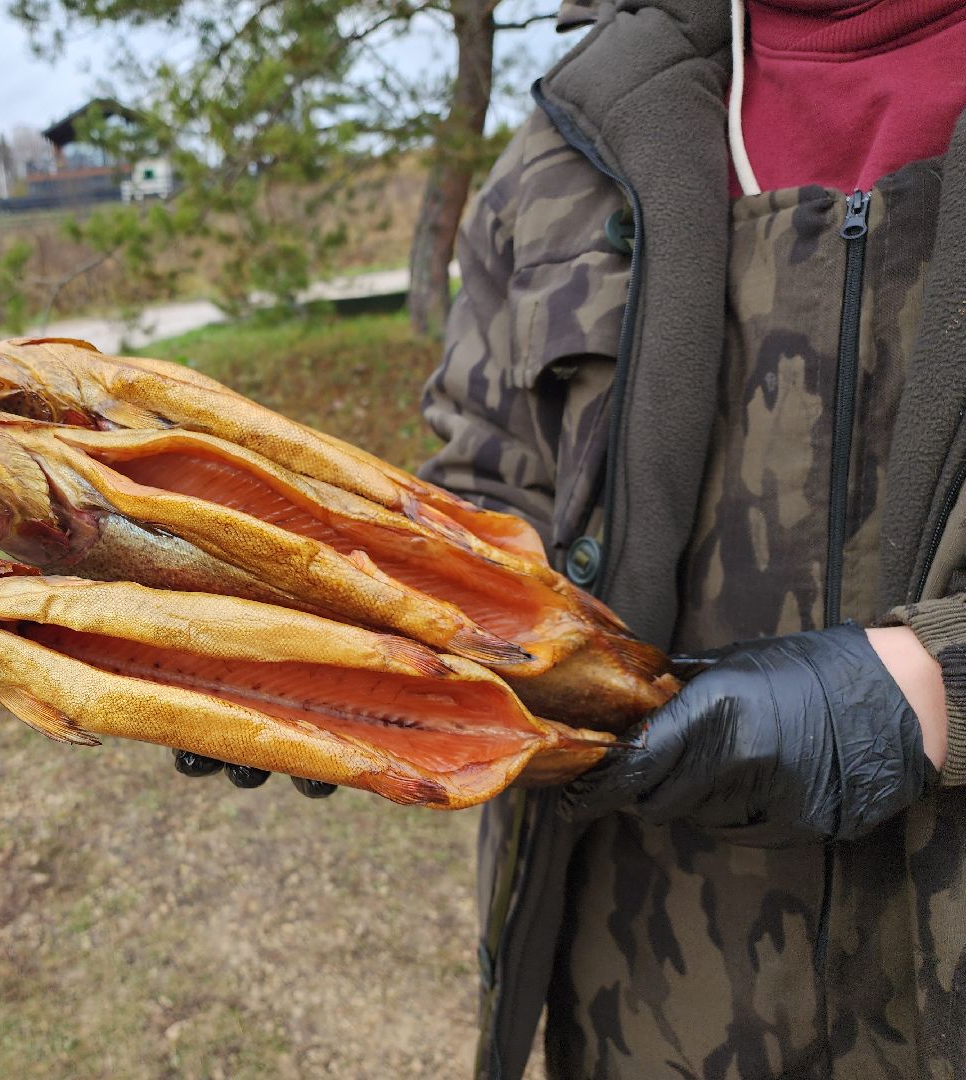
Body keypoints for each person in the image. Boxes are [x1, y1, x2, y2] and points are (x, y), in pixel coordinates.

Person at [179, 1, 966, 1076]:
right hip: (647, 1006)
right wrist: (352, 626)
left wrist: (929, 692)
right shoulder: (576, 139)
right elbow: (488, 485)